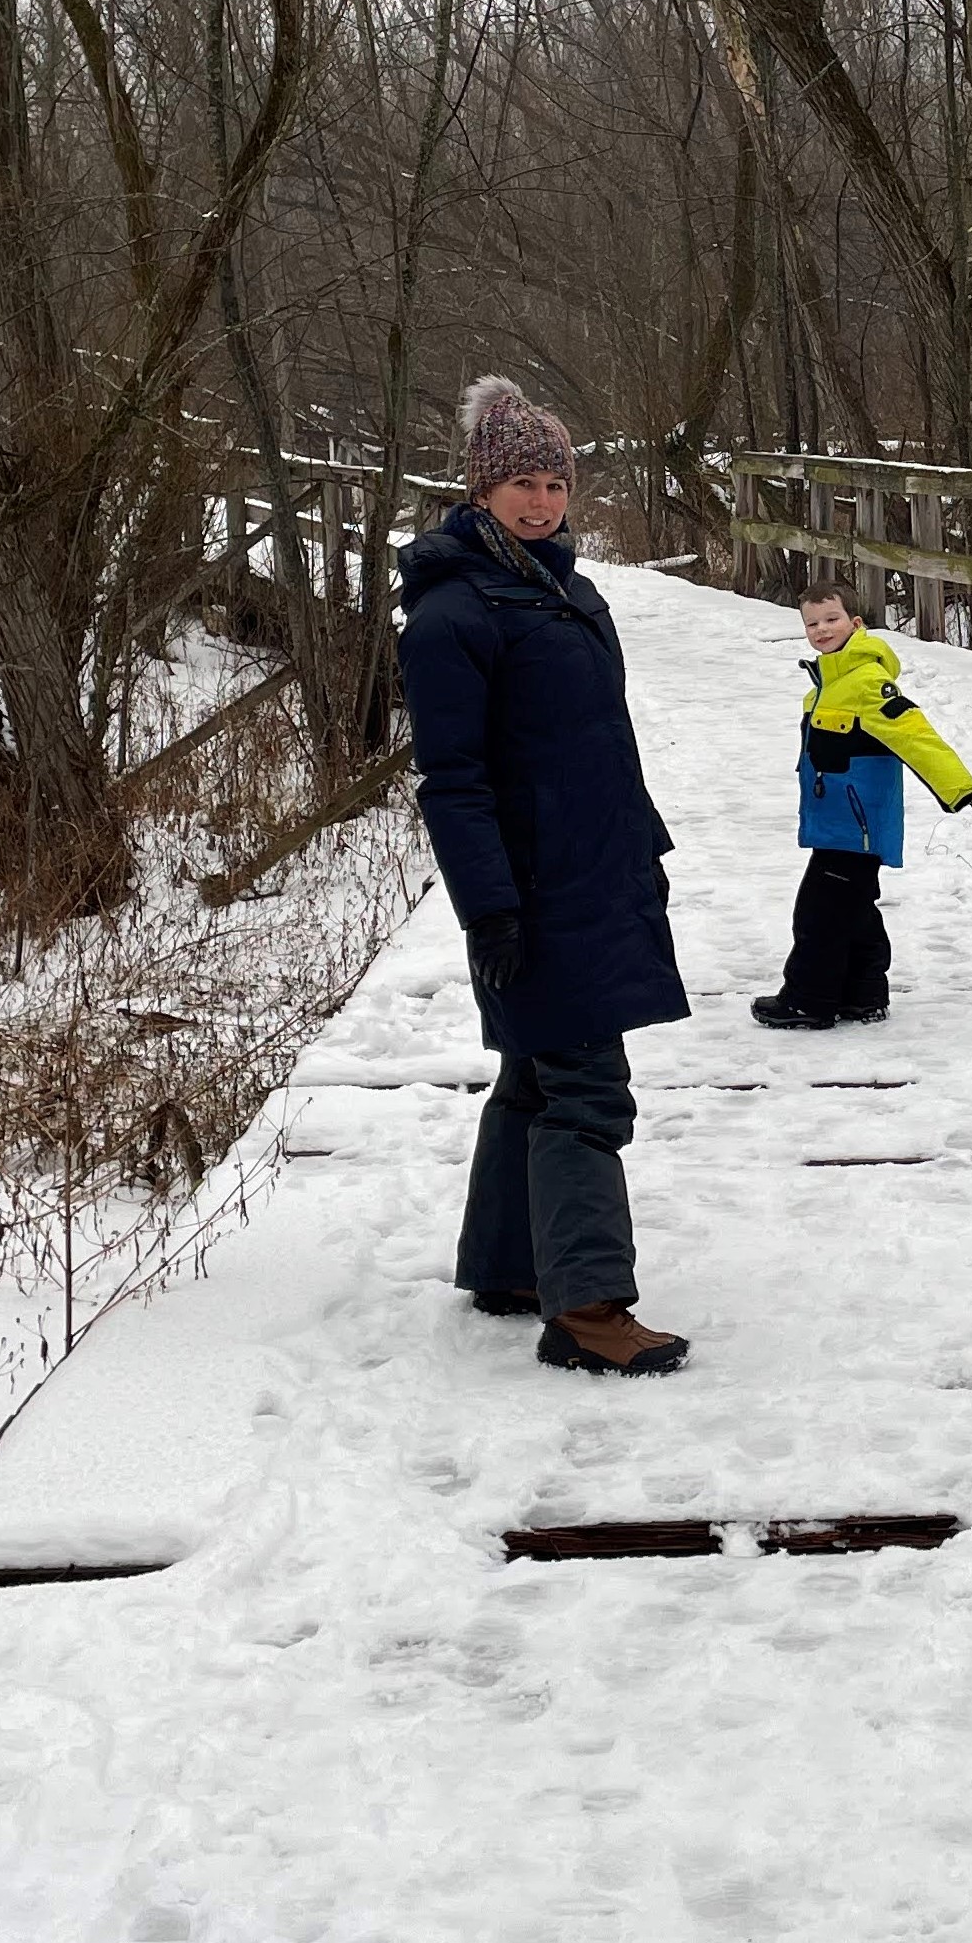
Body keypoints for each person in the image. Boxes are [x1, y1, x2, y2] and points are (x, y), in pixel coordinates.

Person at [395, 377, 692, 1376]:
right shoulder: (454, 614)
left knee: (536, 1072)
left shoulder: (563, 584)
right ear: (480, 489)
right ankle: (589, 1307)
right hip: (532, 888)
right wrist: (491, 911)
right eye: (520, 481)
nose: (540, 500)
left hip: (596, 867)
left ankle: (512, 1265)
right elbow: (454, 781)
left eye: (555, 481)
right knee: (586, 1091)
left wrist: (637, 844)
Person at [753, 578, 972, 1032]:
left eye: (831, 619)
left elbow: (913, 732)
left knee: (818, 911)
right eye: (812, 623)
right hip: (836, 821)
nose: (821, 629)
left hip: (857, 825)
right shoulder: (825, 686)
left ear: (856, 624)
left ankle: (808, 999)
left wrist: (955, 786)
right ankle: (862, 995)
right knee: (853, 907)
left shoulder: (868, 683)